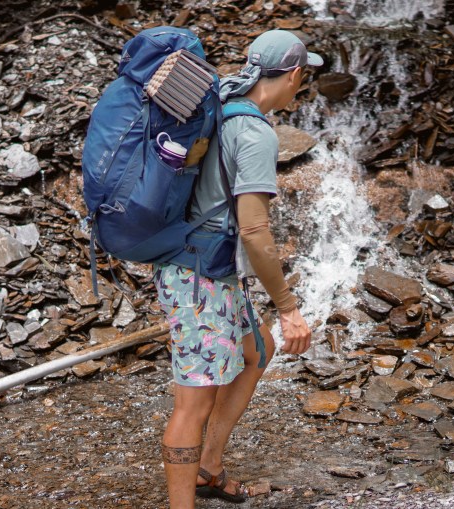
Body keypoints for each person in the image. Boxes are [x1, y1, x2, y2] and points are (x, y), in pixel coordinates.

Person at [153, 30, 322, 508]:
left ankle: (208, 467)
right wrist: (288, 307)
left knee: (258, 349)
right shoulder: (254, 134)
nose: (301, 85)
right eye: (303, 76)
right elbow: (254, 231)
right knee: (194, 399)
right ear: (293, 74)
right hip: (199, 277)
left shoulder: (222, 107)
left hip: (209, 271)